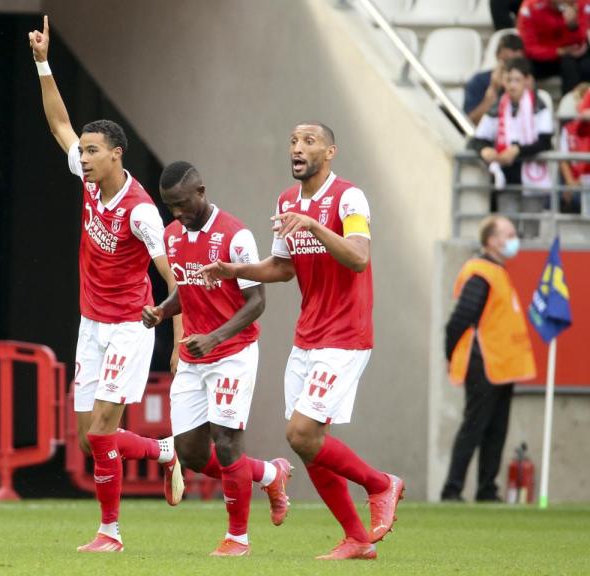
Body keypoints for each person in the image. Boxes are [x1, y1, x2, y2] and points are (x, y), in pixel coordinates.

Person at [197, 123, 403, 561]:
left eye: (308, 141)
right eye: (293, 141)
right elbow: (283, 267)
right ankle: (357, 539)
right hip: (307, 336)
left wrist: (313, 224)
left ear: (330, 151)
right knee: (308, 447)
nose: (297, 147)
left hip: (345, 334)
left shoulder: (350, 197)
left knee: (301, 432)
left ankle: (381, 484)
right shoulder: (286, 201)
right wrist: (238, 272)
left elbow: (358, 257)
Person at [28, 15, 182, 553]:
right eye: (84, 153)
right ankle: (163, 452)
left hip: (129, 328)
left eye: (93, 152)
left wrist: (179, 337)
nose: (83, 158)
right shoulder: (90, 180)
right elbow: (59, 126)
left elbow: (173, 278)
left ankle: (110, 533)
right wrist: (44, 62)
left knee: (99, 433)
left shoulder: (141, 213)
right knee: (85, 438)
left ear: (117, 154)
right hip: (91, 323)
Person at [142, 161, 291, 557]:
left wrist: (216, 337)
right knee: (190, 452)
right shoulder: (173, 236)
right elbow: (187, 292)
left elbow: (257, 301)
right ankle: (271, 474)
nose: (177, 213)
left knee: (226, 443)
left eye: (182, 204)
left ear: (201, 192)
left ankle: (237, 538)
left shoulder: (234, 235)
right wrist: (161, 311)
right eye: (169, 206)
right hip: (196, 354)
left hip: (232, 353)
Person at [441, 216, 536, 502]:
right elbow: (459, 320)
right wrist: (451, 354)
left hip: (501, 366)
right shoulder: (480, 271)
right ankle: (452, 490)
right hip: (483, 363)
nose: (513, 237)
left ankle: (486, 490)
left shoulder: (496, 271)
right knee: (474, 426)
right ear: (492, 240)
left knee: (496, 429)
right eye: (507, 233)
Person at [470, 57, 554, 235]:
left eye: (517, 80)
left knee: (531, 233)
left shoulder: (539, 106)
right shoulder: (497, 107)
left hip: (532, 180)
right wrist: (485, 149)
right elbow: (476, 140)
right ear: (503, 81)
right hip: (506, 179)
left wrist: (517, 151)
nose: (512, 86)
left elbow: (545, 141)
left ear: (527, 81)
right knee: (507, 233)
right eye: (508, 80)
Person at [517, 0, 590, 94]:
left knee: (578, 64)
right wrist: (558, 52)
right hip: (542, 59)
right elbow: (528, 47)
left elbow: (581, 43)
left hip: (572, 55)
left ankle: (575, 103)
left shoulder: (583, 3)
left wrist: (573, 27)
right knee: (520, 66)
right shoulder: (530, 6)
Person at [464, 33, 525, 125]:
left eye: (516, 64)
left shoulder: (526, 83)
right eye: (507, 62)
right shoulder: (478, 81)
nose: (510, 71)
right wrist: (493, 89)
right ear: (497, 55)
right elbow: (470, 122)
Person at [559, 85, 590, 213]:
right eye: (576, 99)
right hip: (575, 182)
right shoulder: (568, 128)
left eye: (581, 99)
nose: (577, 103)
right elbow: (563, 159)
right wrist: (570, 183)